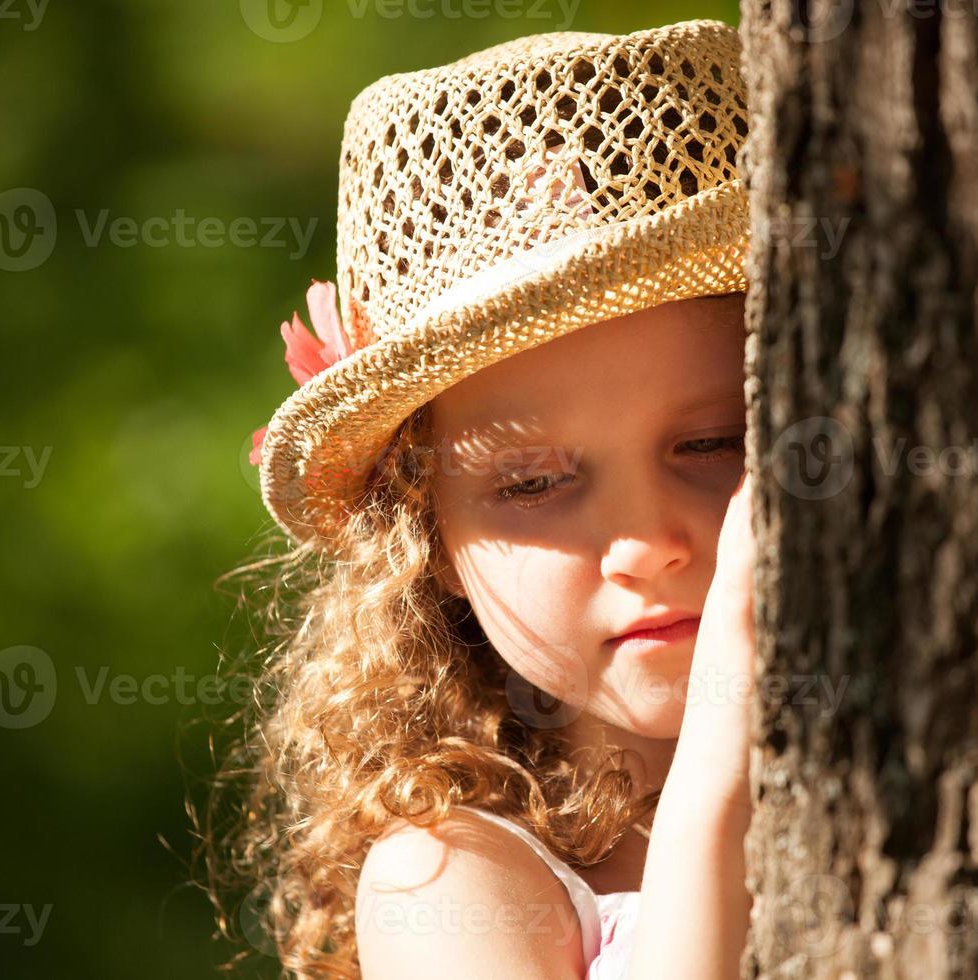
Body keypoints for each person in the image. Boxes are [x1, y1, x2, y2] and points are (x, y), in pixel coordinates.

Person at [217, 18, 757, 979]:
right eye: (533, 484)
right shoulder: (453, 879)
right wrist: (722, 778)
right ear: (428, 541)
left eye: (713, 443)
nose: (645, 544)